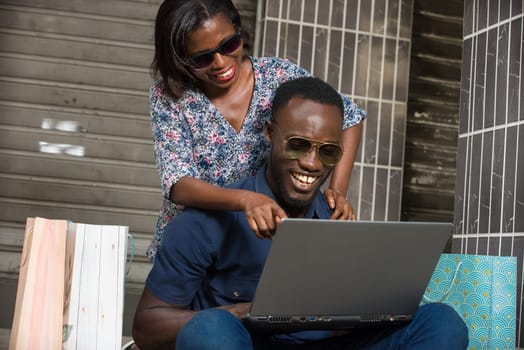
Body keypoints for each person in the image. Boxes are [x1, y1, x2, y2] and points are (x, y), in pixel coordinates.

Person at [132, 77, 468, 350]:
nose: (311, 163)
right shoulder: (204, 221)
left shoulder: (339, 220)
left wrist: (365, 313)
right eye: (298, 144)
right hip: (247, 343)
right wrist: (245, 312)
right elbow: (147, 328)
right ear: (269, 133)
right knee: (208, 330)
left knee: (442, 322)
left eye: (328, 151)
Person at [146, 0, 366, 259]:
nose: (220, 62)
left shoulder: (278, 75)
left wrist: (337, 190)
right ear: (180, 58)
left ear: (239, 31)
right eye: (202, 58)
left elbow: (350, 117)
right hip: (196, 246)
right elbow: (179, 185)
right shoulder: (171, 96)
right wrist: (245, 199)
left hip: (258, 244)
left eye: (229, 45)